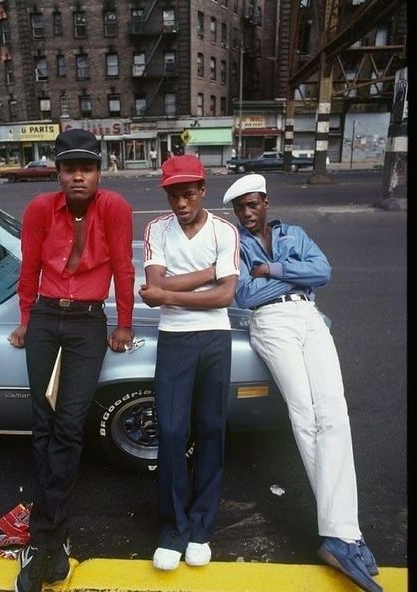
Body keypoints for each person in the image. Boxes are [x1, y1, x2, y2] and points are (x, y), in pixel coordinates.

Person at [222, 174, 382, 592]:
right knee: (305, 417)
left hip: (310, 320)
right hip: (272, 323)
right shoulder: (235, 244)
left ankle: (342, 533)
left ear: (266, 202)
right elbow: (245, 295)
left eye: (252, 204)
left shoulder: (295, 233)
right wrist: (296, 276)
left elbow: (324, 272)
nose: (247, 213)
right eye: (240, 208)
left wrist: (273, 269)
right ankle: (343, 534)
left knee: (335, 414)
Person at [7, 128, 135, 592]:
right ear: (57, 172)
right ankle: (52, 541)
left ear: (99, 172)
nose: (78, 177)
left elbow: (123, 266)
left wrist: (124, 324)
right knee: (42, 425)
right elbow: (28, 270)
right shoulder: (40, 209)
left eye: (87, 168)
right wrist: (25, 319)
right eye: (69, 168)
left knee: (68, 425)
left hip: (86, 325)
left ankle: (42, 539)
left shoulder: (115, 208)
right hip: (45, 317)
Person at [139, 155, 239, 571]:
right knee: (173, 429)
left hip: (216, 337)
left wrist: (171, 294)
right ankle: (174, 526)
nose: (181, 202)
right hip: (175, 339)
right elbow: (152, 286)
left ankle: (201, 526)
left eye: (188, 193)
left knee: (212, 428)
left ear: (202, 190)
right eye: (173, 194)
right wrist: (209, 272)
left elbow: (225, 297)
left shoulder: (224, 230)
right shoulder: (155, 229)